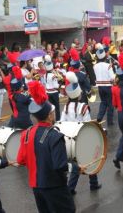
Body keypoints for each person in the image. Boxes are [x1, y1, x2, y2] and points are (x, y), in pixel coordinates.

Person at [17, 81, 76, 213]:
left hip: (36, 187)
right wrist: (75, 167)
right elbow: (60, 166)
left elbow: (20, 159)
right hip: (55, 186)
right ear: (49, 115)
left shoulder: (26, 134)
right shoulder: (55, 136)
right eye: (53, 112)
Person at [60, 72, 101, 195]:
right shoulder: (83, 107)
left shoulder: (66, 107)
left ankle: (71, 188)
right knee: (91, 159)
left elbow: (62, 123)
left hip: (70, 139)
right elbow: (87, 124)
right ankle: (92, 184)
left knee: (76, 163)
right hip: (82, 136)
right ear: (78, 94)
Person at [94, 44, 115, 125]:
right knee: (110, 104)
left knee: (103, 102)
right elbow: (112, 77)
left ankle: (99, 117)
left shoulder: (95, 66)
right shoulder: (108, 66)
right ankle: (110, 121)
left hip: (100, 87)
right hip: (108, 86)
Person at [43, 55, 61, 121]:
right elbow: (56, 86)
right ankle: (58, 120)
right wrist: (60, 84)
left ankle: (51, 120)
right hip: (54, 93)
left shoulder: (45, 75)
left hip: (48, 92)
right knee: (57, 108)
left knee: (51, 108)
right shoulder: (53, 75)